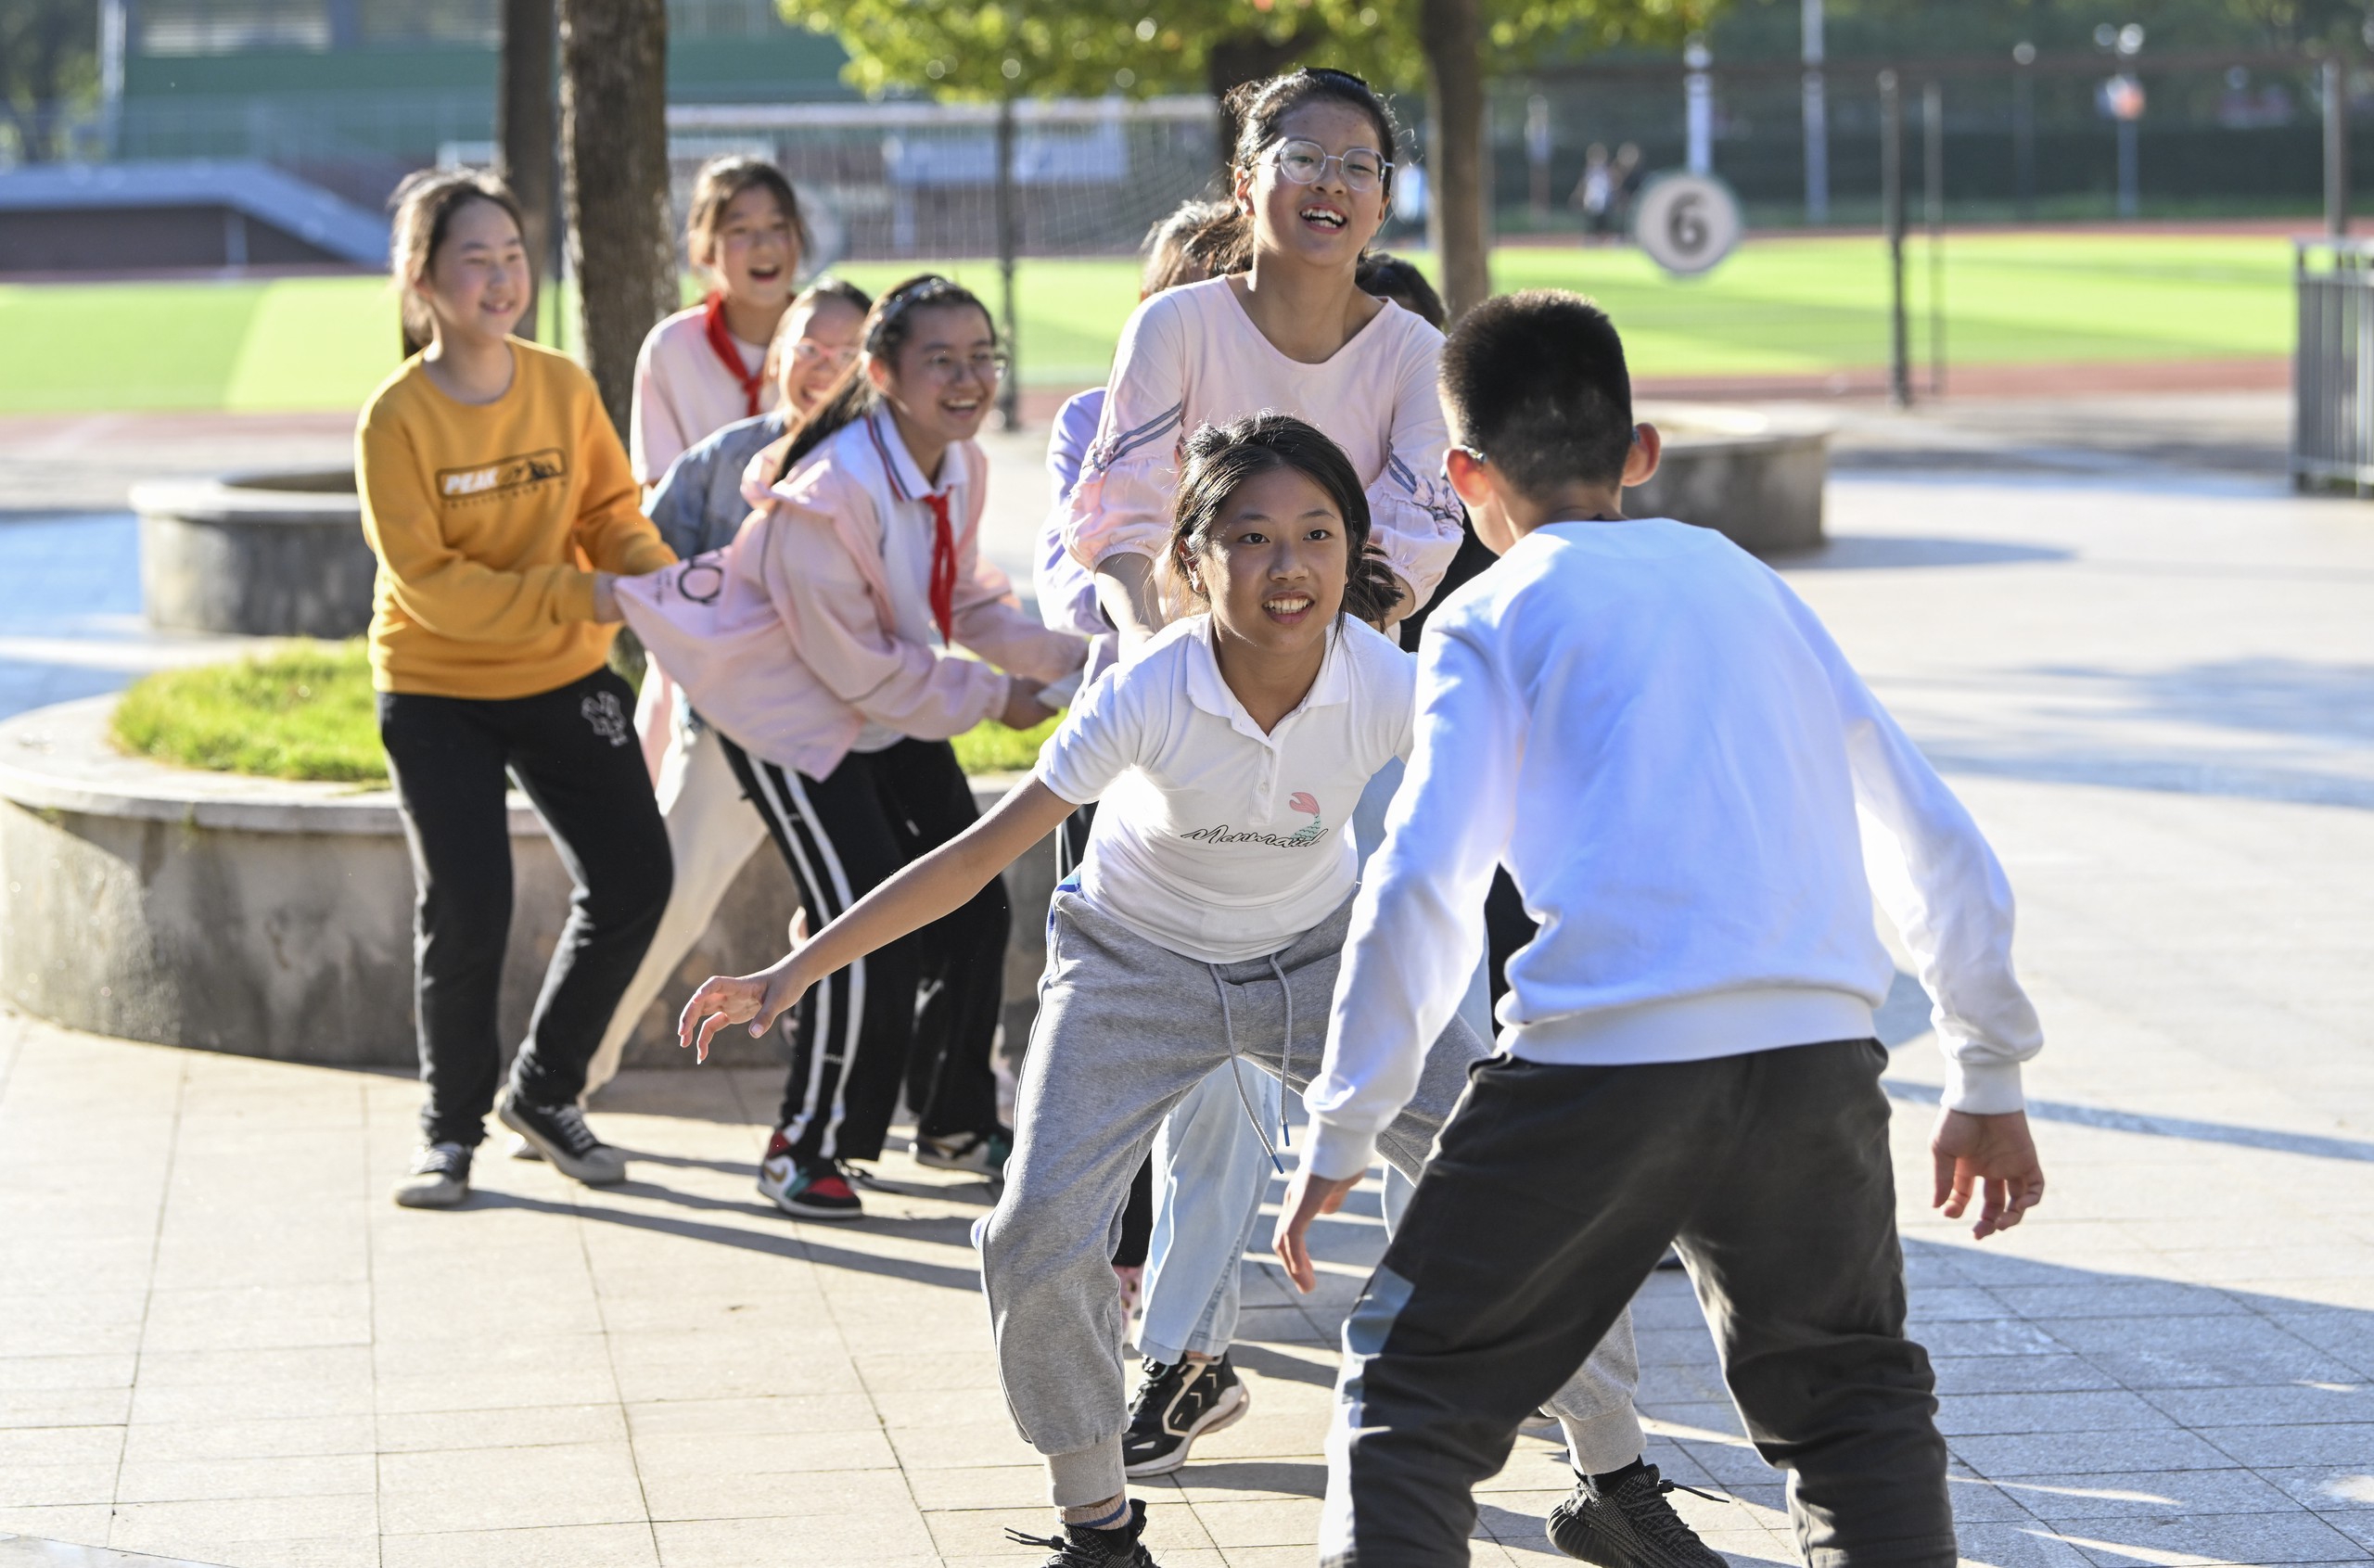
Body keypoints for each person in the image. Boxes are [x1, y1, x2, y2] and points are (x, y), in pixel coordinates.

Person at [677, 414, 1658, 1568]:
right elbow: (971, 857)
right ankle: (1100, 1523)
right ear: (1192, 560)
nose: (1287, 564)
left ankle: (1615, 1479)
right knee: (1035, 1229)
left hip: (1321, 955)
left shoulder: (1389, 683)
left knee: (1521, 1182)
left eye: (1316, 533)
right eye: (1250, 536)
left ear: (1351, 553)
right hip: (1133, 963)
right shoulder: (1150, 689)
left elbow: (1545, 812)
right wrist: (791, 969)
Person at [1274, 290, 2049, 1567]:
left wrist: (1345, 1121)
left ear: (1464, 473)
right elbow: (1931, 826)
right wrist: (1987, 1065)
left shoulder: (1489, 611)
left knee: (1412, 1396)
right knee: (1852, 1407)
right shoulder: (1749, 585)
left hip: (1600, 1060)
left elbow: (1424, 878)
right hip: (1816, 1056)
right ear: (1642, 451)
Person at [618, 274, 1084, 1221]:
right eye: (940, 361)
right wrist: (1002, 696)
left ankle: (953, 1118)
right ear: (882, 373)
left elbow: (960, 599)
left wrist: (1081, 657)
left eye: (981, 358)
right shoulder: (825, 497)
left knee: (976, 908)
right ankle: (805, 1144)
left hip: (884, 697)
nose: (967, 379)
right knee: (856, 927)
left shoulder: (956, 461)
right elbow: (860, 672)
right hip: (790, 716)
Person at [362, 169, 677, 1210]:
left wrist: (643, 564)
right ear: (421, 278)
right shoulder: (394, 419)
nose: (501, 278)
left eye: (512, 255)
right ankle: (446, 1131)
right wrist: (580, 589)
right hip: (436, 682)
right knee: (469, 903)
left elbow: (606, 505)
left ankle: (543, 1089)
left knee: (635, 875)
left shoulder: (559, 384)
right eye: (474, 259)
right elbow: (432, 588)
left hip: (559, 673)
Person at [580, 276, 874, 1099]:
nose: (825, 368)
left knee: (885, 903)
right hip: (731, 733)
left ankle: (934, 1094)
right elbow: (638, 564)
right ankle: (565, 1075)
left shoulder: (891, 457)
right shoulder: (720, 462)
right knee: (667, 899)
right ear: (778, 353)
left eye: (848, 353)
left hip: (864, 729)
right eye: (809, 348)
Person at [1040, 197, 1251, 1318]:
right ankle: (1112, 1258)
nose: (1209, 302)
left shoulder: (1285, 426)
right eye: (1187, 278)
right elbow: (1069, 579)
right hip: (1126, 761)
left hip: (1265, 777)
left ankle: (1187, 1325)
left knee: (1230, 1067)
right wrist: (1168, 618)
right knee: (1102, 1029)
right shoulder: (1094, 418)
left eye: (1229, 276)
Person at [629, 155, 807, 488]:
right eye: (740, 230)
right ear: (705, 247)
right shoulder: (670, 349)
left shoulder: (833, 344)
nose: (764, 246)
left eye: (778, 227)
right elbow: (660, 490)